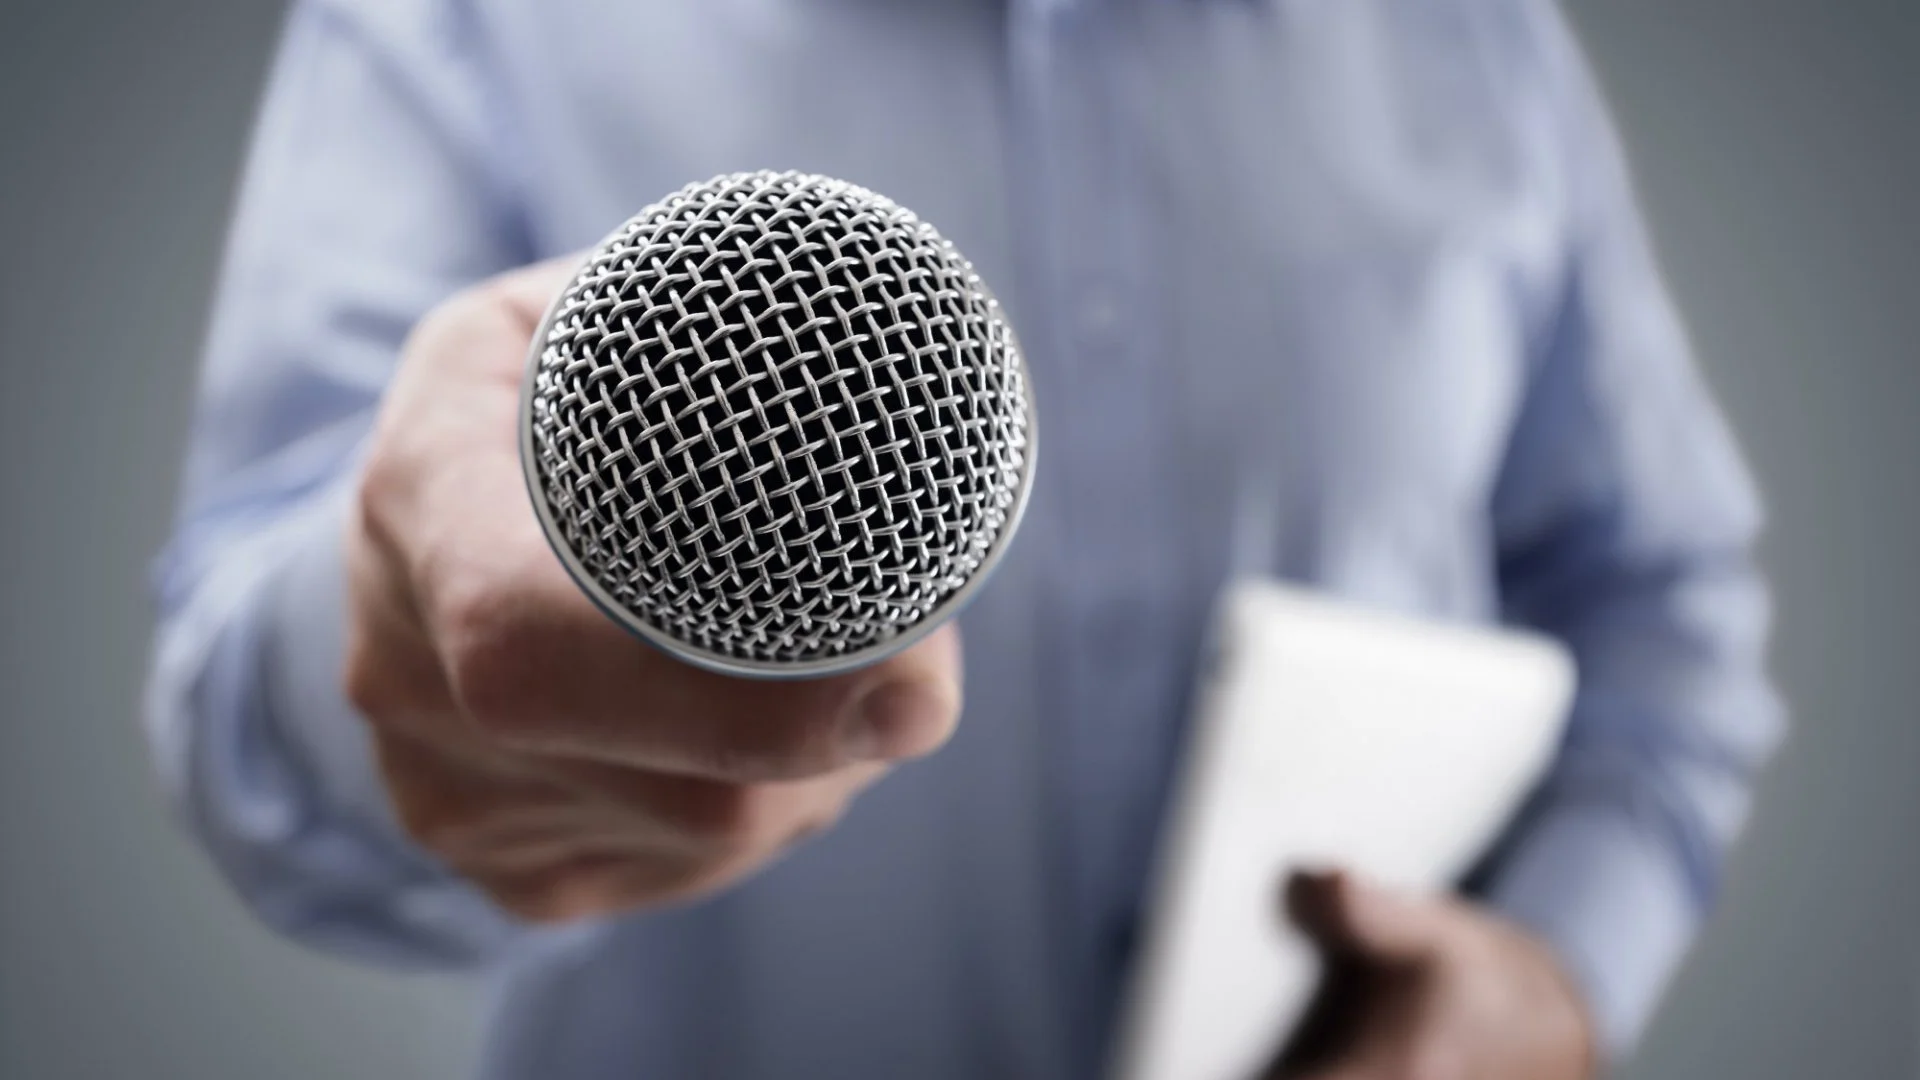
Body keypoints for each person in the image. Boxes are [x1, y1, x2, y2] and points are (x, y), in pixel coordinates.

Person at [145, 1, 1784, 1077]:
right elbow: (241, 724)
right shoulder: (470, 25)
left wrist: (1554, 978)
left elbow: (1658, 606)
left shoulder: (1468, 39)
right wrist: (397, 657)